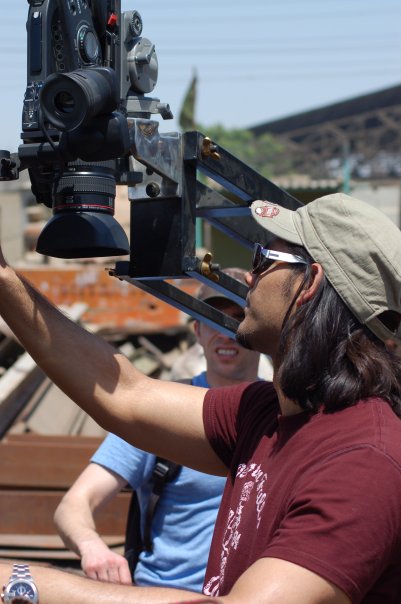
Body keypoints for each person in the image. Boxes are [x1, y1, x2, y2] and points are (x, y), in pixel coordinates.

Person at [0, 192, 400, 603]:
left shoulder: (364, 461)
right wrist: (3, 279)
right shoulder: (264, 413)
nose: (249, 276)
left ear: (309, 283)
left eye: (264, 259)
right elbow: (124, 394)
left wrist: (19, 582)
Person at [53, 268, 262, 590]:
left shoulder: (286, 411)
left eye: (237, 318)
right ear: (197, 331)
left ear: (260, 329)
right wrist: (92, 547)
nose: (225, 332)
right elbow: (74, 505)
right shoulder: (160, 410)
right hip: (166, 594)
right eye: (212, 318)